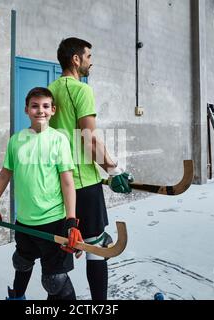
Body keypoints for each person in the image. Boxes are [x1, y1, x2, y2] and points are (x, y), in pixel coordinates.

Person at [48, 37, 133, 300]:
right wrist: (113, 169)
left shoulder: (50, 90)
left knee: (64, 245)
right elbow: (89, 138)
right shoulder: (81, 89)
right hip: (84, 182)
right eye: (88, 56)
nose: (90, 62)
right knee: (96, 249)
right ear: (76, 59)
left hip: (57, 182)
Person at [0, 87, 83, 300]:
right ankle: (17, 297)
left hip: (53, 222)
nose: (40, 111)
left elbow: (67, 182)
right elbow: (5, 174)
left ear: (53, 110)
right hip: (25, 221)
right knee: (22, 262)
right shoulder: (16, 140)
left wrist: (71, 220)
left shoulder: (59, 140)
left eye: (45, 106)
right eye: (35, 106)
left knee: (54, 280)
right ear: (26, 109)